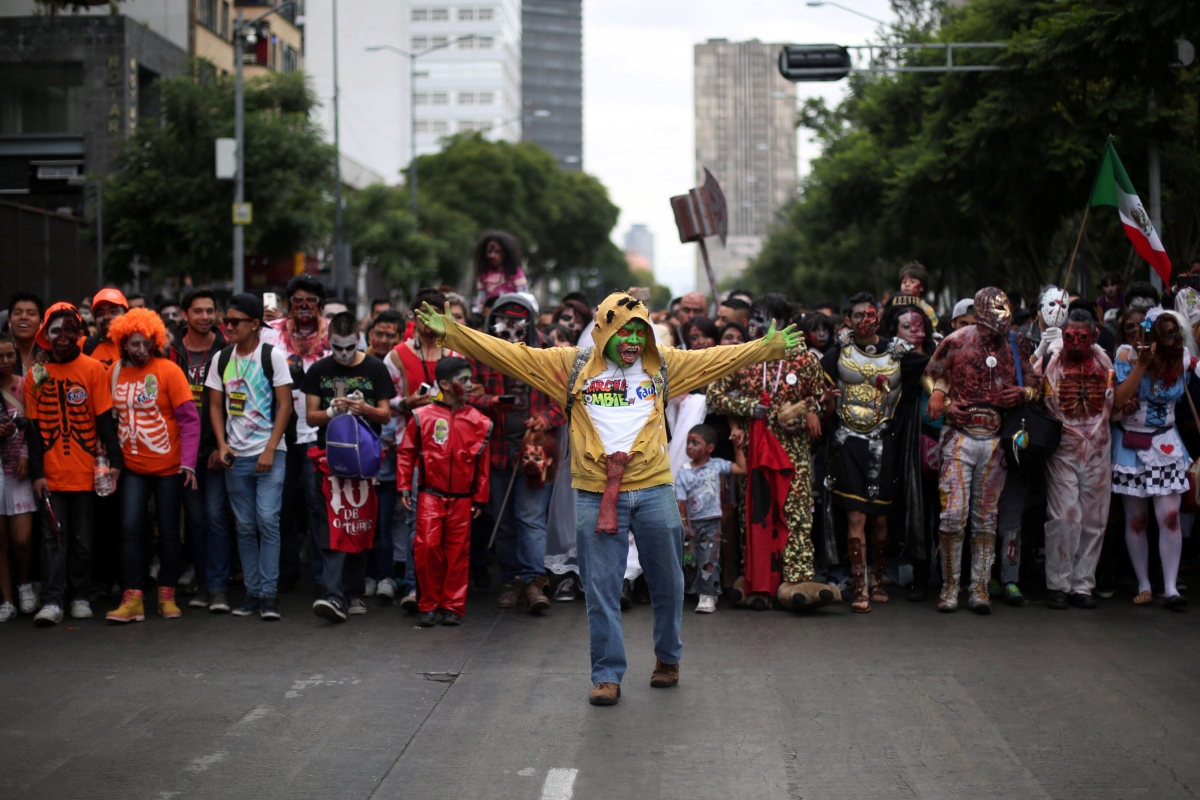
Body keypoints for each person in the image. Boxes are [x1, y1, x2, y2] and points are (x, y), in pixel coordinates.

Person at [416, 291, 802, 706]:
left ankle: (668, 657)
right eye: (624, 330)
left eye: (640, 330)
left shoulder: (664, 364)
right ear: (603, 332)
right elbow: (511, 354)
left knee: (669, 583)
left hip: (654, 488)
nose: (633, 339)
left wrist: (766, 347)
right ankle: (606, 674)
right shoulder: (572, 365)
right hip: (594, 493)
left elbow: (718, 358)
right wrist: (455, 331)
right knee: (600, 588)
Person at [708, 293, 830, 612]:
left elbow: (820, 397)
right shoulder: (743, 356)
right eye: (753, 317)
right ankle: (759, 580)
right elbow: (714, 395)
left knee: (796, 513)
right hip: (755, 449)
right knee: (758, 515)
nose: (752, 324)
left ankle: (798, 579)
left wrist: (806, 412)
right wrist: (751, 407)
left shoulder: (804, 359)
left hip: (794, 451)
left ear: (783, 323)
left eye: (762, 318)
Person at [925, 287, 1039, 614]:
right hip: (958, 438)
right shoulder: (956, 341)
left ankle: (979, 589)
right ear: (978, 317)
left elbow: (1038, 387)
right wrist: (944, 401)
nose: (996, 331)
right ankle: (950, 587)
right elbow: (931, 377)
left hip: (995, 441)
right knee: (951, 516)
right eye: (990, 325)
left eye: (1002, 324)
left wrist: (1022, 394)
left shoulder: (1017, 345)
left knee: (985, 519)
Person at [821, 293, 928, 612]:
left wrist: (941, 395)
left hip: (885, 441)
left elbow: (933, 371)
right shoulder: (837, 353)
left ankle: (878, 579)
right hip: (848, 441)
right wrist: (824, 404)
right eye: (858, 315)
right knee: (854, 515)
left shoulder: (900, 352)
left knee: (880, 518)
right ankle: (860, 588)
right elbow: (822, 398)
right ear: (848, 320)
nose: (865, 320)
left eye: (870, 314)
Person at [26, 303, 124, 626]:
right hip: (51, 475)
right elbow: (35, 430)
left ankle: (80, 594)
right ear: (45, 335)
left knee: (83, 537)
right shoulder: (37, 374)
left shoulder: (93, 370)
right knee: (52, 537)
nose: (63, 337)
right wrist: (37, 474)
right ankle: (52, 600)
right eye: (55, 330)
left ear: (79, 334)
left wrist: (115, 463)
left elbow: (104, 422)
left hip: (86, 474)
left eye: (70, 330)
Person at [466, 293, 565, 612]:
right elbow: (467, 395)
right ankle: (511, 580)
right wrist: (489, 403)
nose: (511, 331)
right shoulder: (482, 350)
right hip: (495, 449)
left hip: (535, 448)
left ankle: (534, 581)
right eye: (505, 323)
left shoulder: (548, 351)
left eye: (518, 324)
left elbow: (564, 398)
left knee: (531, 517)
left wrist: (544, 419)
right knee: (505, 519)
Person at [102, 309, 200, 623]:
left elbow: (189, 421)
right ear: (122, 343)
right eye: (134, 344)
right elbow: (104, 420)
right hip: (131, 468)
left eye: (146, 343)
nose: (141, 350)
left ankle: (166, 593)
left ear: (155, 340)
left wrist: (188, 463)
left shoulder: (169, 371)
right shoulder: (114, 373)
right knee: (130, 530)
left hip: (169, 468)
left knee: (169, 533)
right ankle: (133, 597)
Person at [205, 293, 293, 620]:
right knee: (244, 525)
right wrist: (223, 445)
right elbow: (215, 405)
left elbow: (285, 405)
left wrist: (271, 448)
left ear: (255, 324)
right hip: (235, 456)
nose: (227, 326)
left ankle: (269, 595)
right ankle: (253, 595)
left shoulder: (273, 357)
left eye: (235, 321)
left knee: (268, 521)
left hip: (270, 454)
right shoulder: (222, 359)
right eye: (226, 321)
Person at [302, 312, 395, 622]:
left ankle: (353, 591)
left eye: (349, 347)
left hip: (365, 462)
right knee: (331, 526)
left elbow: (385, 414)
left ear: (360, 340)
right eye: (337, 347)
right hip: (328, 462)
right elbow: (310, 417)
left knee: (359, 524)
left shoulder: (375, 368)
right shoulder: (319, 369)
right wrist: (331, 410)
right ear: (329, 341)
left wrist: (364, 408)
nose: (342, 354)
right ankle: (331, 593)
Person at [397, 357, 491, 626]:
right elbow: (406, 452)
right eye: (463, 380)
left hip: (462, 499)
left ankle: (453, 605)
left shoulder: (478, 421)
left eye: (469, 379)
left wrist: (480, 497)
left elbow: (482, 463)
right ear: (445, 385)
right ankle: (427, 602)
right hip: (430, 494)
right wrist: (404, 485)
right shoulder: (423, 417)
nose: (470, 385)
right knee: (426, 547)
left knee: (458, 552)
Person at [1111, 309, 1191, 609]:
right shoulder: (1125, 356)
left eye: (1175, 332)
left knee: (1170, 518)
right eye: (1165, 332)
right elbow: (1118, 400)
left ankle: (1170, 587)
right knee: (1136, 520)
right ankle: (1144, 583)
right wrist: (1141, 366)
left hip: (1166, 443)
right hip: (1131, 443)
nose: (1171, 338)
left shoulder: (1182, 360)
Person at [1038, 309, 1115, 610]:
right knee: (1064, 516)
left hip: (1098, 448)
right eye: (1069, 336)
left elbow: (1112, 399)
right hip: (1064, 449)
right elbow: (1036, 390)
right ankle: (1059, 583)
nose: (1074, 343)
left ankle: (1083, 584)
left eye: (1082, 337)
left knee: (1095, 519)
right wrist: (1045, 349)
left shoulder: (1104, 362)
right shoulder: (1052, 360)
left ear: (1094, 336)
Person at [386, 288, 457, 610]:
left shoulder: (455, 354)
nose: (431, 321)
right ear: (414, 315)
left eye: (438, 313)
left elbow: (469, 399)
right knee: (418, 523)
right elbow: (383, 403)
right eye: (424, 313)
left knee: (450, 526)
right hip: (413, 452)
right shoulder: (397, 355)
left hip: (450, 452)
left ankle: (445, 592)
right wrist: (406, 403)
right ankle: (416, 589)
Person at [262, 275, 329, 594]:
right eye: (298, 300)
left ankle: (321, 576)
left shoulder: (333, 335)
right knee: (282, 506)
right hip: (280, 435)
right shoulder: (270, 333)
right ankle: (287, 570)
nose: (304, 307)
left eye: (311, 301)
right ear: (288, 304)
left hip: (319, 433)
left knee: (318, 507)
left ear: (320, 305)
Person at [169, 288, 229, 609]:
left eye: (210, 311)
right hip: (183, 453)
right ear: (185, 315)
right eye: (198, 311)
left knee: (216, 517)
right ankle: (204, 585)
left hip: (215, 451)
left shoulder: (227, 349)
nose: (205, 317)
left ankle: (218, 588)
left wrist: (223, 446)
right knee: (195, 521)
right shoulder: (170, 352)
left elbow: (235, 403)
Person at [676, 424, 746, 613]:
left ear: (709, 448)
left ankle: (707, 595)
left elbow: (741, 468)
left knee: (709, 558)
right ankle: (695, 589)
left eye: (695, 443)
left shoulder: (716, 465)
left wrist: (738, 447)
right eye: (688, 442)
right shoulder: (683, 471)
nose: (689, 446)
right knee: (690, 559)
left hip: (711, 523)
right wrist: (684, 525)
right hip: (691, 525)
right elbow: (680, 500)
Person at [0, 332, 37, 621]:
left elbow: (36, 425)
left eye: (9, 355)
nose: (5, 361)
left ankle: (25, 585)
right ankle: (7, 598)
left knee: (22, 540)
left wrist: (26, 455)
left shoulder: (26, 385)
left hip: (19, 471)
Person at [473, 230, 528, 308]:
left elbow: (523, 296)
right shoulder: (483, 274)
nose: (492, 255)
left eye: (497, 252)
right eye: (489, 251)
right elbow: (481, 298)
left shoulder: (514, 271)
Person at [84, 288, 129, 368]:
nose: (106, 317)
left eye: (113, 312)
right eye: (100, 313)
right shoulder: (83, 346)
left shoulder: (138, 348)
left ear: (126, 315)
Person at [7, 292, 43, 377]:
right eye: (17, 313)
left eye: (31, 313)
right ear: (9, 321)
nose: (24, 317)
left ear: (41, 322)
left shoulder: (49, 353)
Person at [898, 261, 939, 330]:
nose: (907, 284)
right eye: (904, 282)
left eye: (912, 282)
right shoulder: (896, 307)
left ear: (921, 287)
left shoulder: (927, 310)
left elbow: (933, 330)